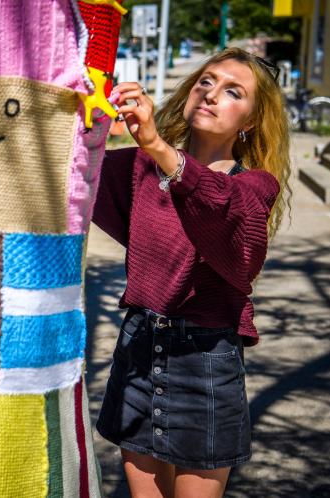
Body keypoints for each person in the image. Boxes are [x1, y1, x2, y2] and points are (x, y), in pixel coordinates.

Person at [93, 47, 290, 498]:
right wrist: (93, 103)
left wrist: (158, 146)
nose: (211, 94)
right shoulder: (142, 167)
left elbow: (219, 210)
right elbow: (70, 166)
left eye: (232, 91)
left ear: (251, 122)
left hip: (205, 362)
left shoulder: (254, 186)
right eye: (206, 82)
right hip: (139, 345)